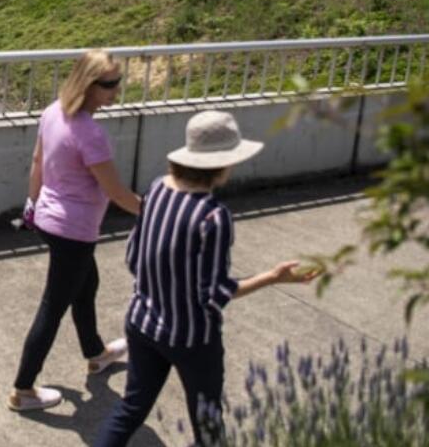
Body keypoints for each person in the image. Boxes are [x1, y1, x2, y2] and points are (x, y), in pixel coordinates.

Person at [94, 110, 320, 446]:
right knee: (208, 424)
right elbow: (213, 294)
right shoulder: (214, 216)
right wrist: (273, 276)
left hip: (141, 323)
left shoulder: (156, 189)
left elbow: (133, 256)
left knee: (131, 408)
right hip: (191, 339)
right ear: (223, 163)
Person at [9, 49, 142, 413]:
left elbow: (37, 161)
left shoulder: (53, 111)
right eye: (111, 84)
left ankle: (95, 353)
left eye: (118, 81)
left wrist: (31, 205)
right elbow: (116, 193)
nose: (117, 90)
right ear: (89, 85)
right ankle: (22, 389)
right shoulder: (90, 133)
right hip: (73, 229)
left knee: (87, 284)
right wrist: (158, 211)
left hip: (49, 220)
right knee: (53, 308)